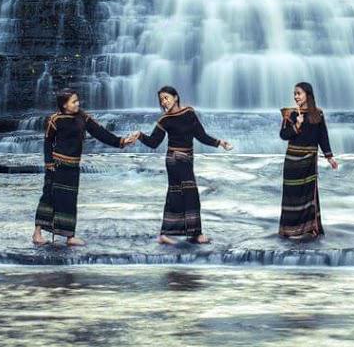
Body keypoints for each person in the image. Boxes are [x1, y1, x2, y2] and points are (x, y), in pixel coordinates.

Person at [129, 86, 233, 245]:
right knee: (191, 194)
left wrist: (219, 143)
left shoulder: (189, 113)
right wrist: (140, 135)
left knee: (175, 194)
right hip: (175, 159)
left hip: (187, 158)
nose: (164, 102)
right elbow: (154, 142)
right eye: (161, 100)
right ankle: (196, 234)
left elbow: (201, 135)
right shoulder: (164, 120)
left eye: (166, 97)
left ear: (175, 97)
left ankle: (165, 234)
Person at [33, 90, 133, 247]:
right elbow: (47, 142)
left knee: (70, 201)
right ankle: (37, 234)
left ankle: (69, 237)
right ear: (64, 105)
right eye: (74, 102)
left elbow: (100, 133)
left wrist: (121, 141)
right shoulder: (54, 120)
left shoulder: (83, 117)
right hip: (57, 166)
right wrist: (49, 163)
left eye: (77, 101)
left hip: (73, 166)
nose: (77, 104)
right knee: (49, 198)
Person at [278, 82, 338, 240]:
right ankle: (290, 230)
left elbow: (322, 137)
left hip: (309, 163)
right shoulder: (290, 114)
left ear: (308, 95)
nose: (296, 96)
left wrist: (329, 157)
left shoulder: (318, 114)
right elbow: (283, 135)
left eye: (299, 93)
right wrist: (296, 125)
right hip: (293, 162)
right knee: (292, 196)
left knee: (309, 195)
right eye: (294, 94)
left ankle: (310, 229)